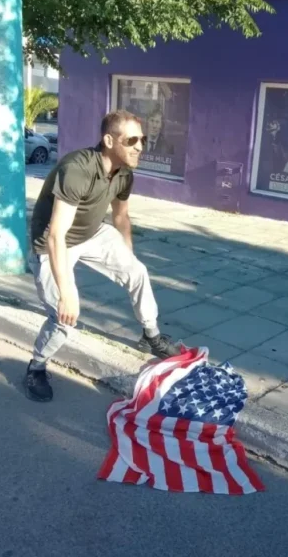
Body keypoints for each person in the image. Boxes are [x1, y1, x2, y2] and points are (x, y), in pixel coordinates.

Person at [25, 109, 182, 402]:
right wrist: (66, 293)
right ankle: (37, 366)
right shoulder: (77, 169)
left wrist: (128, 259)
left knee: (137, 272)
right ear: (109, 141)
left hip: (93, 233)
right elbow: (57, 234)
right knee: (64, 317)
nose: (140, 146)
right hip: (52, 244)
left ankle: (151, 335)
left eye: (143, 139)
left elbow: (121, 217)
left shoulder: (124, 173)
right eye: (132, 140)